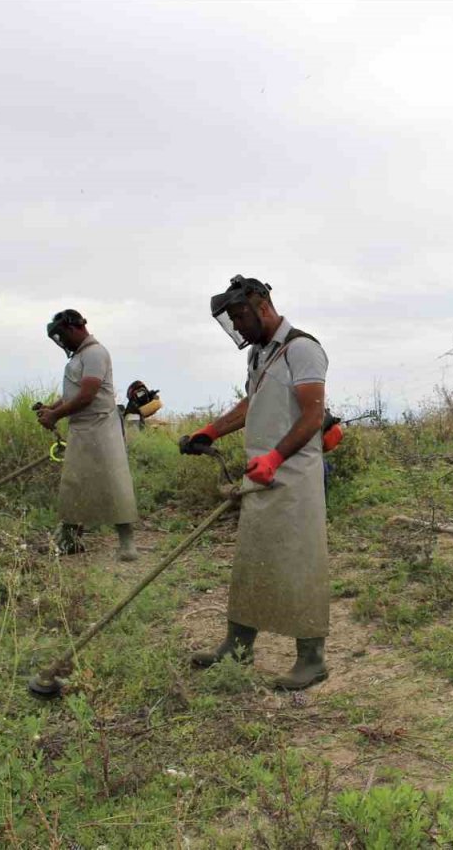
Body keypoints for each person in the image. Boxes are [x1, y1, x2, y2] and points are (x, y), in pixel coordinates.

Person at [180, 276, 330, 690]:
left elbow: (312, 416)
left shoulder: (302, 350)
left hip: (294, 475)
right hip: (260, 471)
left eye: (241, 316)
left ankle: (312, 658)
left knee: (300, 563)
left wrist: (277, 458)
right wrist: (211, 431)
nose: (238, 327)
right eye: (232, 320)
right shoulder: (260, 354)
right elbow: (253, 404)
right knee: (251, 559)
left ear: (262, 304)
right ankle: (238, 647)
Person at [36, 309, 139, 561]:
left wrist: (55, 416)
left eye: (62, 336)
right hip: (82, 429)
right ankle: (70, 540)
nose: (61, 342)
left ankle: (127, 545)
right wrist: (52, 408)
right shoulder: (80, 357)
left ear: (74, 329)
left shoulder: (95, 353)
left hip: (102, 428)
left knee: (114, 484)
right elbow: (73, 394)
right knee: (75, 485)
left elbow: (87, 394)